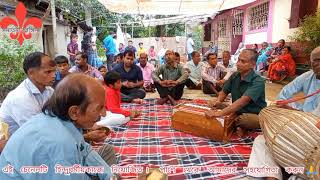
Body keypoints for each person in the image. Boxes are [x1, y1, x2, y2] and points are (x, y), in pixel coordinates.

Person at [0, 74, 113, 180]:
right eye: (99, 108)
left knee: (108, 152)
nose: (103, 114)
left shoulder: (63, 121)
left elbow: (85, 150)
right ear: (74, 112)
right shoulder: (59, 143)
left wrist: (110, 176)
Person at [247, 47, 320, 180]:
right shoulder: (308, 76)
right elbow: (283, 96)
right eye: (317, 61)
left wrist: (296, 112)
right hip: (301, 128)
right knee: (262, 140)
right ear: (311, 63)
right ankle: (272, 176)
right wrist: (291, 109)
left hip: (315, 140)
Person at [205, 49, 267, 137]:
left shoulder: (258, 81)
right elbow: (224, 92)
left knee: (244, 120)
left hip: (254, 114)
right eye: (238, 60)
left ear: (252, 65)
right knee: (212, 104)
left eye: (243, 61)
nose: (238, 63)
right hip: (238, 110)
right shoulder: (235, 75)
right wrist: (217, 102)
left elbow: (242, 102)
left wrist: (217, 113)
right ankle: (238, 125)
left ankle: (241, 125)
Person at [0, 52, 56, 136]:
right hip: (12, 144)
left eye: (54, 71)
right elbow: (38, 131)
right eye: (48, 72)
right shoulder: (20, 97)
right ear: (31, 73)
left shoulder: (49, 90)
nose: (54, 75)